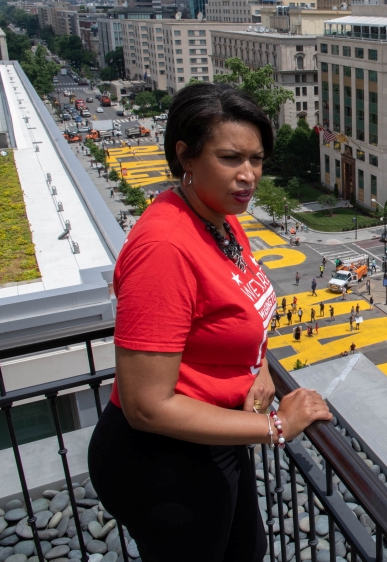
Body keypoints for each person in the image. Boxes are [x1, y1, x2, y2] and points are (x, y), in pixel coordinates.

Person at [87, 83, 331, 562]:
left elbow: (232, 311)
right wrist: (278, 427)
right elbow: (147, 406)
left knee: (247, 550)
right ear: (186, 157)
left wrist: (256, 366)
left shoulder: (220, 216)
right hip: (161, 460)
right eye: (230, 158)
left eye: (257, 159)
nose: (248, 176)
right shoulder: (165, 248)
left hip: (214, 435)